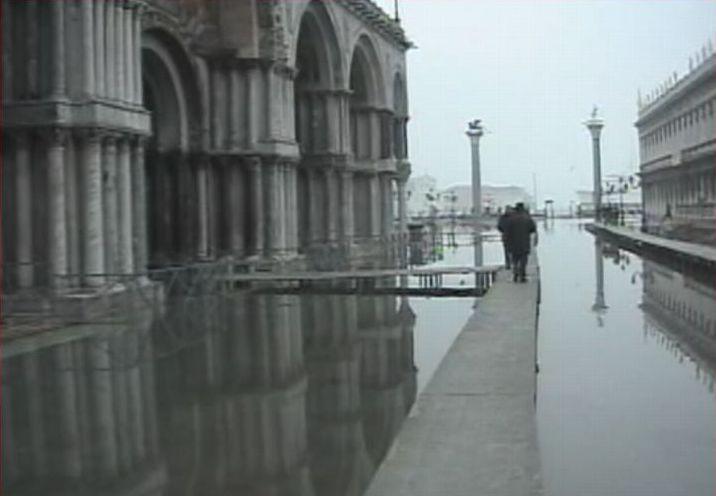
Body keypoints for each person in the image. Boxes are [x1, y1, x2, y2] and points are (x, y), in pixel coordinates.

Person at [504, 202, 537, 283]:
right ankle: (522, 276)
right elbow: (533, 229)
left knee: (514, 260)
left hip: (513, 243)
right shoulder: (527, 218)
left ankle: (515, 275)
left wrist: (507, 243)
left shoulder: (511, 219)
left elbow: (506, 231)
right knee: (523, 261)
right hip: (524, 243)